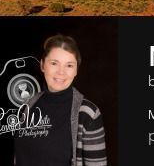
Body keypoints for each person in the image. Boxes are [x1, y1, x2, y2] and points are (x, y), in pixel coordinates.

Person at [14, 35, 107, 166]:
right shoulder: (28, 105)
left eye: (69, 65)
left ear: (76, 70)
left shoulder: (88, 113)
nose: (61, 72)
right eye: (54, 63)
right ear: (42, 65)